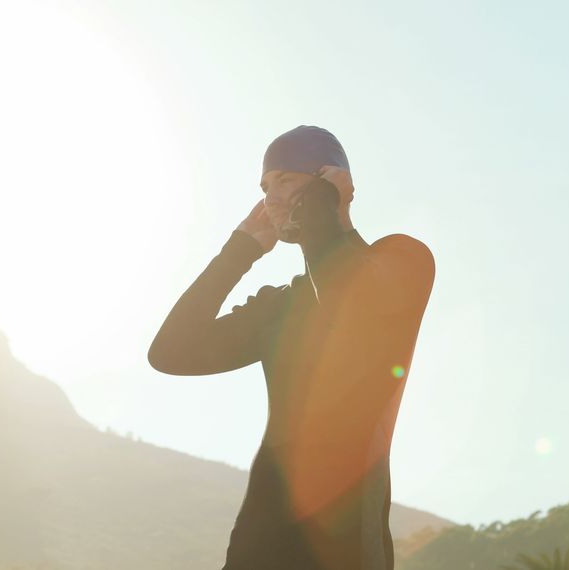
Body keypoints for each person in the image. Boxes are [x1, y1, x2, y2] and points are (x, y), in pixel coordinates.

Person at [148, 125, 435, 570]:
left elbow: (351, 310)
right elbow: (171, 353)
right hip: (256, 548)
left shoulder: (402, 260)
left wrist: (322, 205)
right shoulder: (280, 308)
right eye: (265, 186)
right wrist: (238, 251)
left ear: (332, 182)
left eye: (285, 180)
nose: (271, 197)